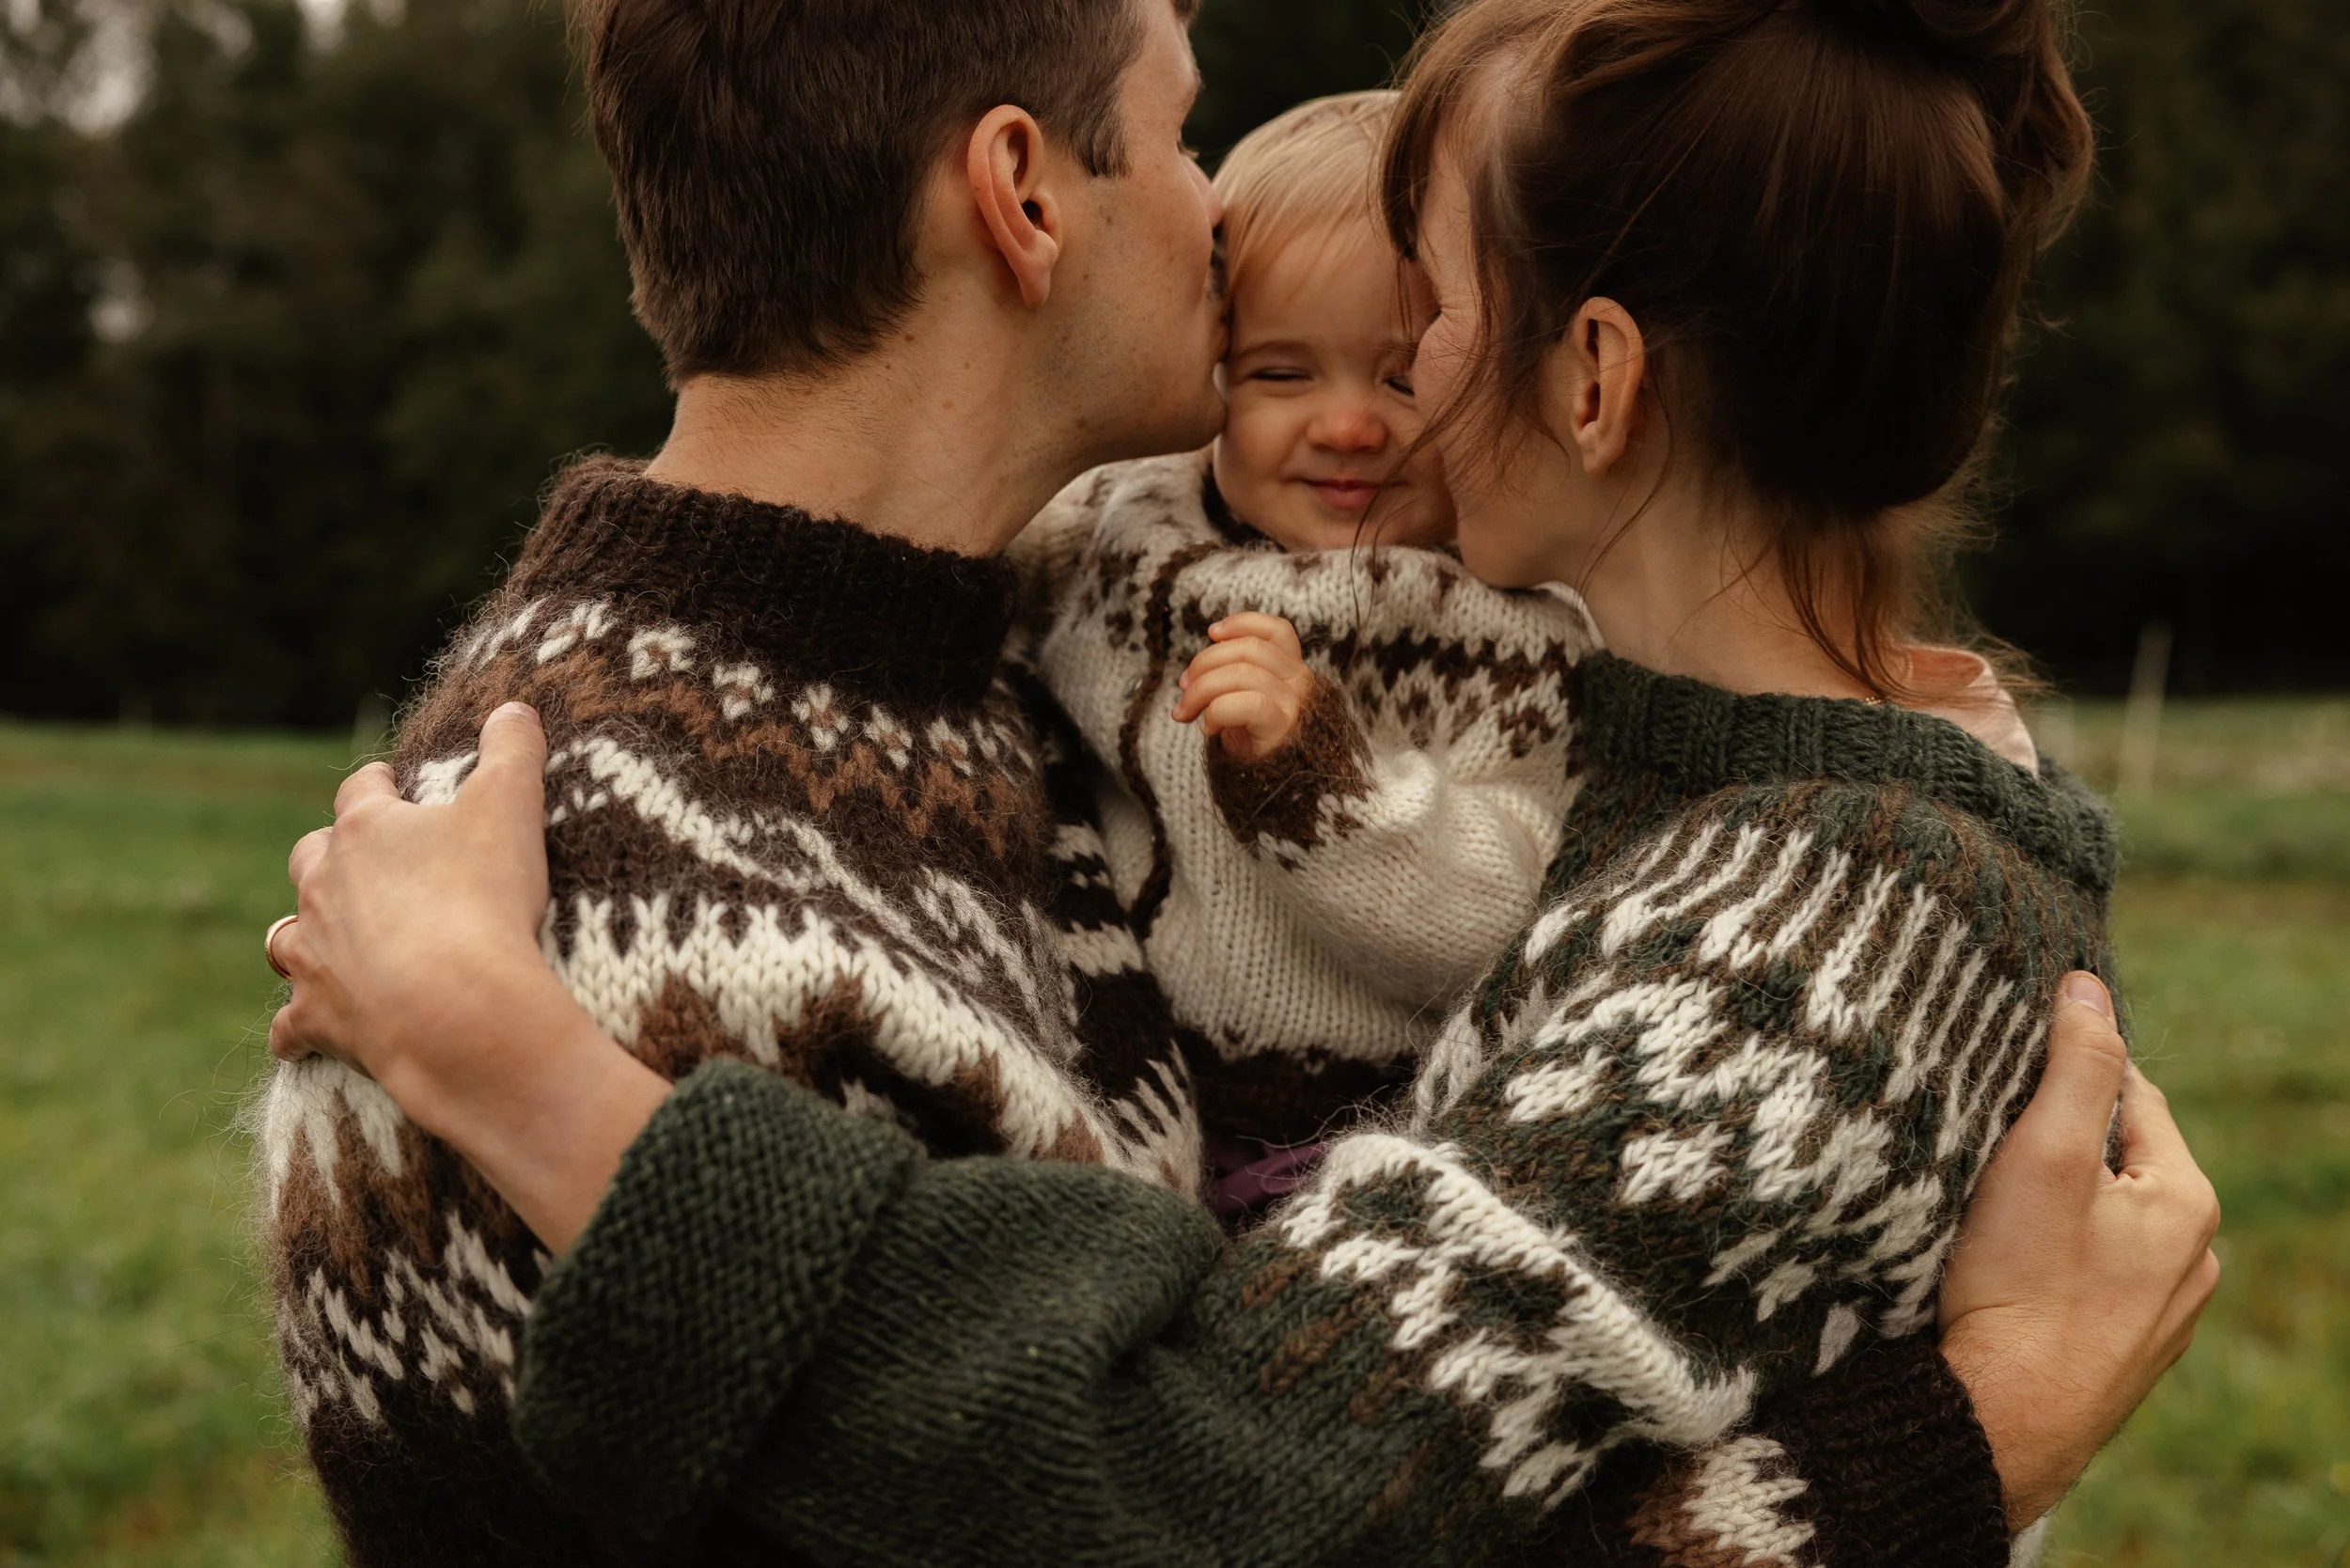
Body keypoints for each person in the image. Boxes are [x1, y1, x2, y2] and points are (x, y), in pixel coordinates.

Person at [265, 0, 2224, 1563]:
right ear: (1021, 195)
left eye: (1425, 316)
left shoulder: (1795, 883)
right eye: (1191, 131)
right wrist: (1975, 1434)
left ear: (1597, 379)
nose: (1379, 374)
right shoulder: (635, 858)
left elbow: (1238, 1481)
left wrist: (1969, 1438)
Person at [258, 0, 1225, 1560]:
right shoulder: (594, 913)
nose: (1219, 208)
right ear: (1022, 193)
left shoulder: (991, 669)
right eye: (1184, 135)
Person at [1016, 90, 1600, 1218]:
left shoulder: (1513, 633)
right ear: (1214, 368)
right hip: (1104, 1078)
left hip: (1351, 1131)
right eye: (1282, 374)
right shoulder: (1115, 523)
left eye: (1403, 380)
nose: (1346, 427)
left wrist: (1322, 784)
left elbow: (1503, 919)